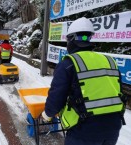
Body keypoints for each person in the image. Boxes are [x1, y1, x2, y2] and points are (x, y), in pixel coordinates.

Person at [42, 17, 126, 145]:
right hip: (113, 126)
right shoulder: (110, 61)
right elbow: (116, 90)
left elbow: (57, 96)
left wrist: (48, 114)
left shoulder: (68, 63)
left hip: (84, 130)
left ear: (71, 39)